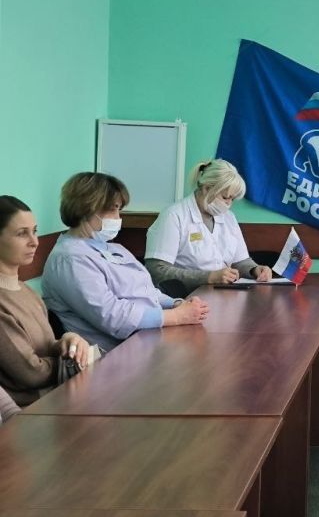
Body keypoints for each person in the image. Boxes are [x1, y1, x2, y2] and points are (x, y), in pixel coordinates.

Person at [43, 172, 210, 351]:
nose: (118, 217)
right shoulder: (70, 259)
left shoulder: (111, 247)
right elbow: (112, 316)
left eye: (119, 209)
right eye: (112, 209)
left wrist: (176, 303)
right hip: (112, 355)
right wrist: (176, 316)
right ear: (86, 208)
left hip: (147, 340)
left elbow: (146, 291)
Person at [0, 196, 93, 405]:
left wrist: (67, 341)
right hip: (31, 411)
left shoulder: (26, 290)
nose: (34, 241)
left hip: (59, 397)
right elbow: (31, 373)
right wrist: (73, 360)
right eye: (21, 233)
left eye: (34, 231)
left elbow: (45, 346)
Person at [144, 159, 272, 295]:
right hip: (185, 299)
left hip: (224, 296)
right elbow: (157, 271)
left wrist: (255, 270)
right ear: (206, 188)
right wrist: (208, 277)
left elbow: (240, 261)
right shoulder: (174, 216)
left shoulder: (229, 217)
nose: (229, 204)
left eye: (232, 199)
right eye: (225, 197)